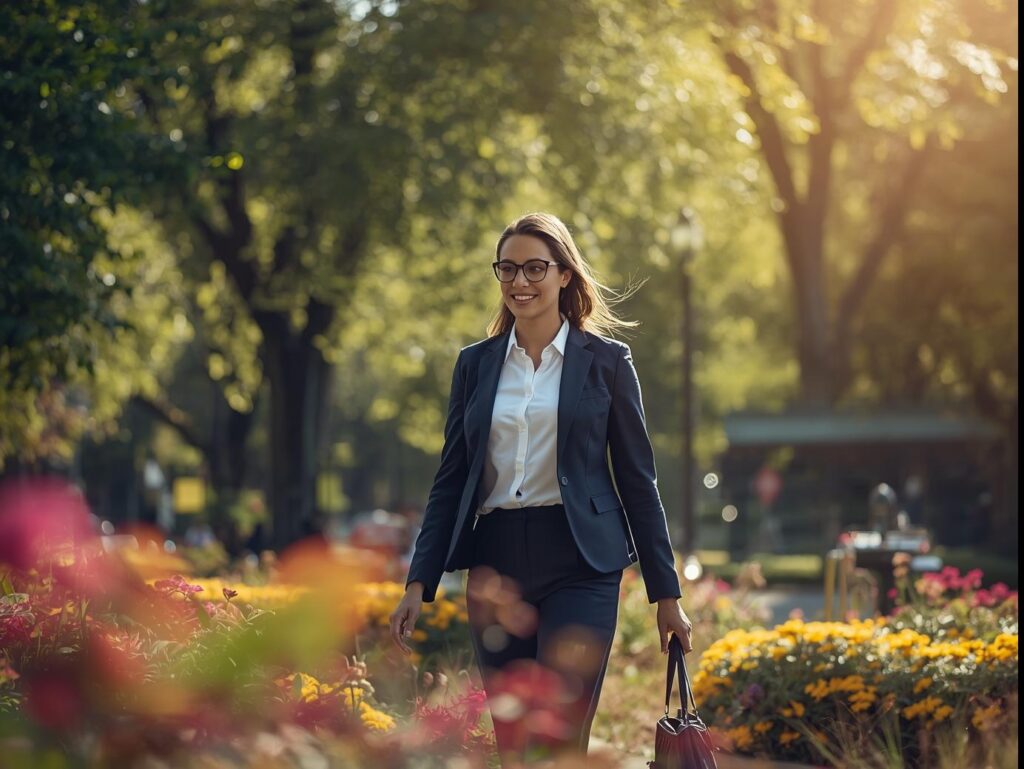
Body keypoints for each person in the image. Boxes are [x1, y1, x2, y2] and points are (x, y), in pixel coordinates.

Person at [389, 212, 692, 764]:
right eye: (507, 269)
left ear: (563, 275)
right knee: (515, 741)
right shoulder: (474, 366)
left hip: (582, 563)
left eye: (534, 268)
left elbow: (638, 482)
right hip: (497, 567)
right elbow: (451, 478)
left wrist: (666, 595)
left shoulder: (607, 363)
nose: (519, 282)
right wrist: (418, 580)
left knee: (558, 733)